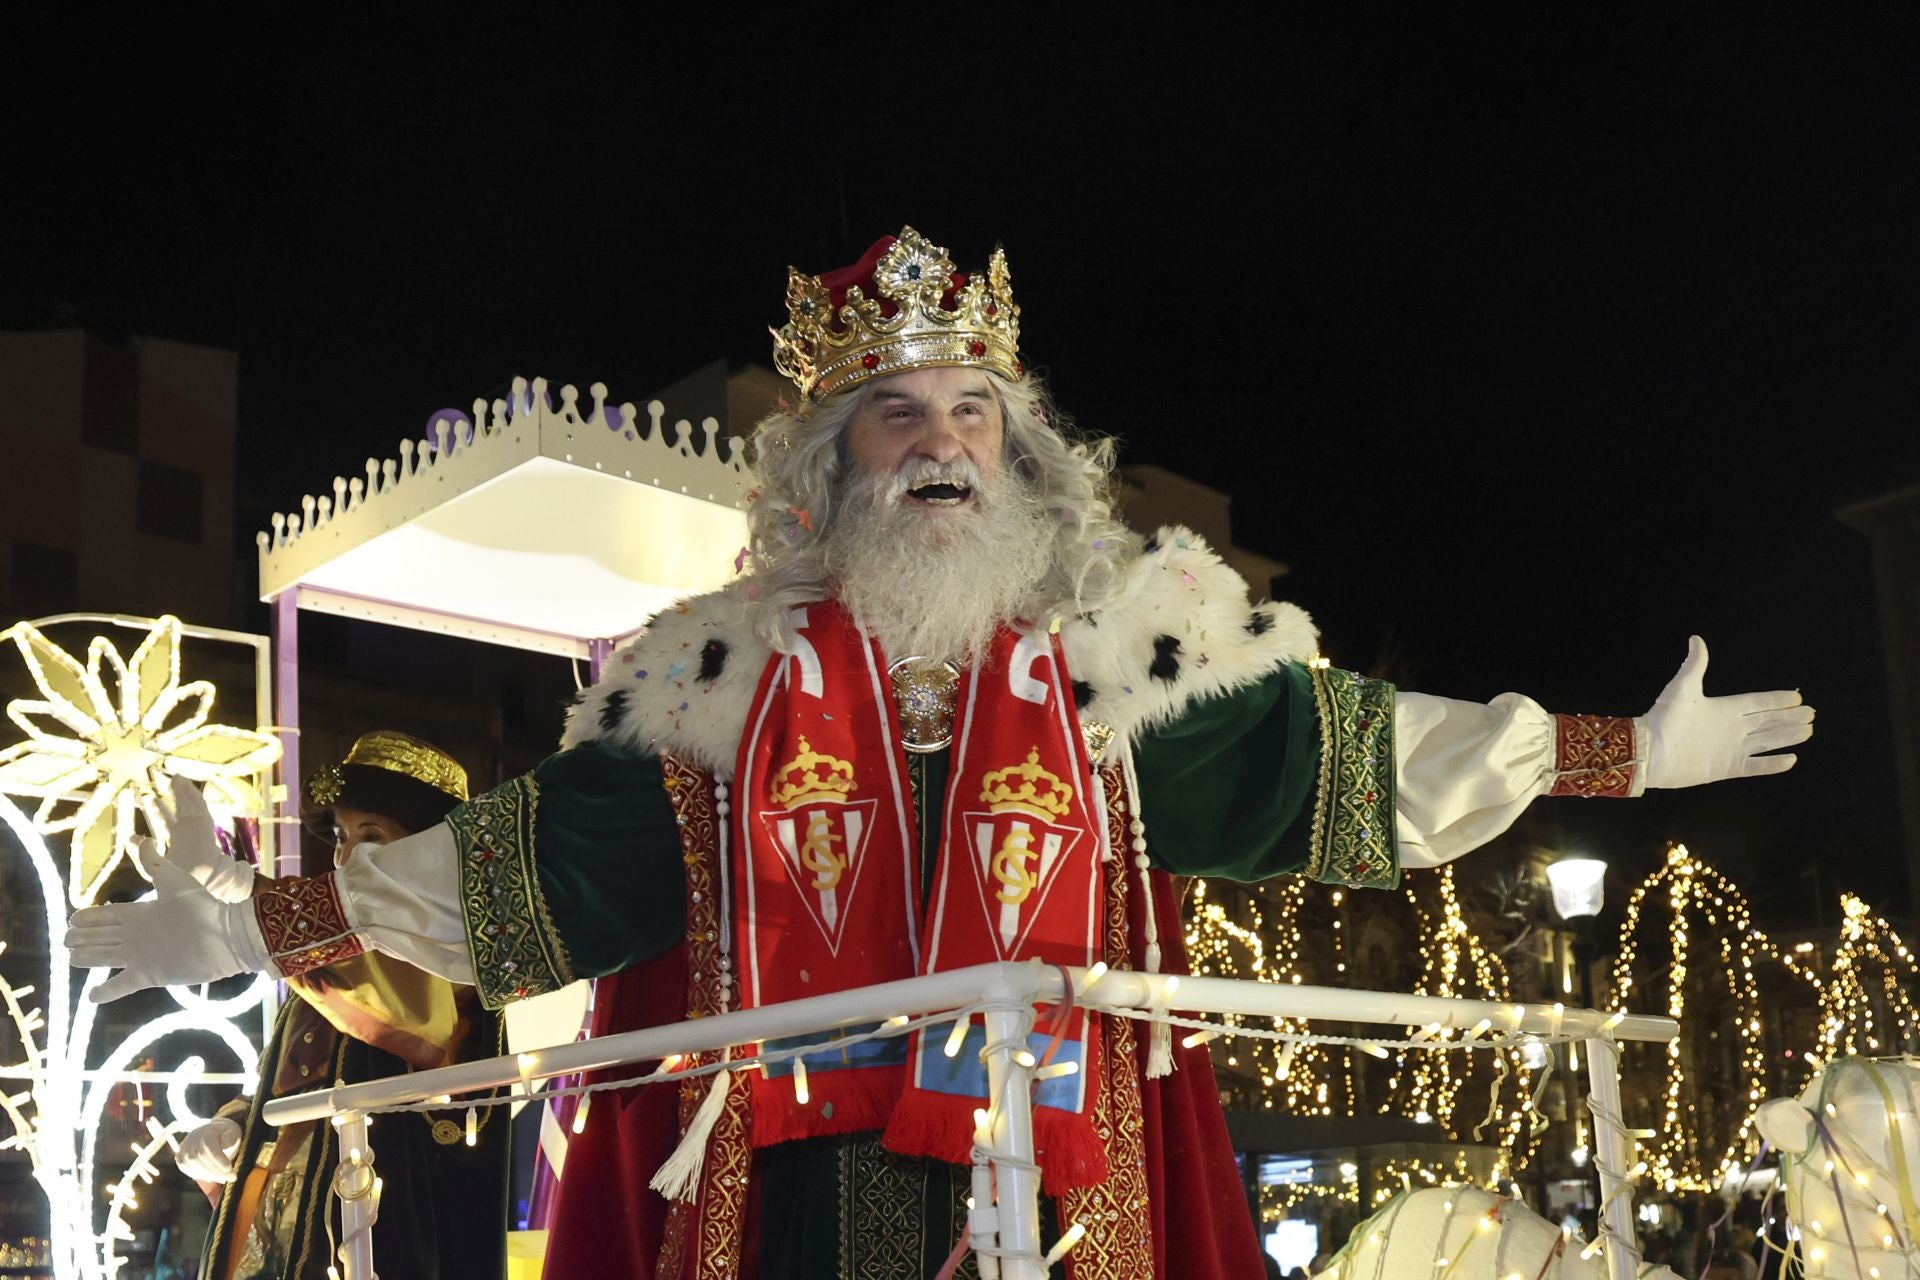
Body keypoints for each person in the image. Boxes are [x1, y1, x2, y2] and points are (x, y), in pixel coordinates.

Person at [68, 227, 1815, 1280]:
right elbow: (517, 882)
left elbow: (1351, 757)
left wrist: (1617, 759)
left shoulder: (1117, 660)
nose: (941, 444)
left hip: (1059, 1187)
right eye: (896, 414)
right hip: (792, 1198)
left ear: (1024, 451)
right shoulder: (713, 682)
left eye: (970, 411)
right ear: (829, 467)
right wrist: (255, 924)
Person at [165, 733, 510, 1280]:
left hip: (375, 1208)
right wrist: (235, 1124)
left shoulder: (454, 945)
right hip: (289, 1207)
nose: (347, 854)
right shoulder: (337, 952)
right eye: (343, 836)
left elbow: (413, 1018)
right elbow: (290, 1080)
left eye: (371, 835)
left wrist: (240, 890)